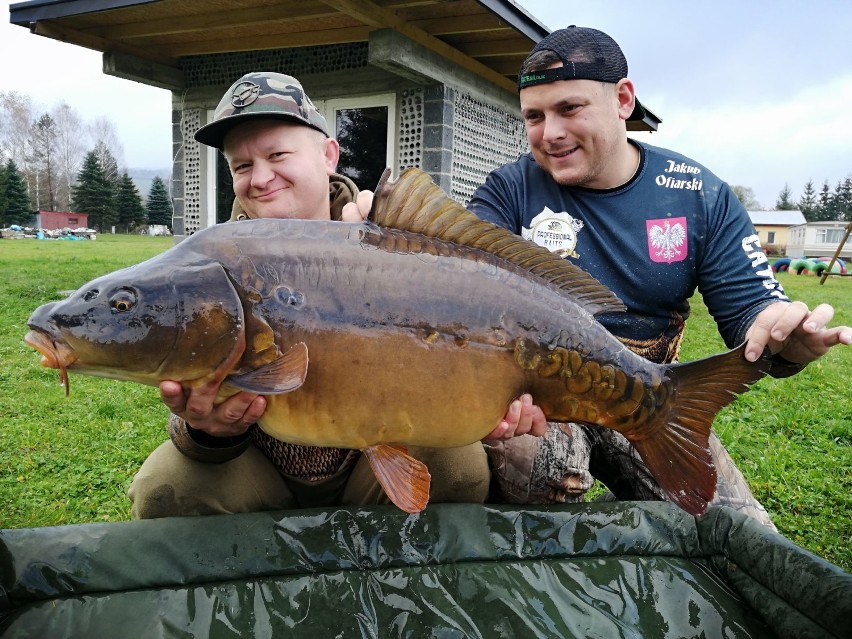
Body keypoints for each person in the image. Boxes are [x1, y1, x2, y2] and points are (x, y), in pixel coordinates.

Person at [466, 26, 852, 527]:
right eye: (534, 117)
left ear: (623, 100)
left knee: (737, 532)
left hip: (651, 396)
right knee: (541, 482)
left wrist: (782, 332)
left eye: (569, 109)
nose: (550, 132)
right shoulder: (507, 190)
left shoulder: (696, 195)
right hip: (545, 399)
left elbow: (752, 311)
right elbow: (462, 284)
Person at [128, 72, 541, 518]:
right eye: (242, 166)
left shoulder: (390, 241)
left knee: (458, 465)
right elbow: (191, 405)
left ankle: (401, 582)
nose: (261, 178)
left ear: (328, 155)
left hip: (369, 465)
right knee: (164, 486)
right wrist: (207, 429)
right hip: (259, 470)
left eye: (277, 154)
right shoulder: (211, 267)